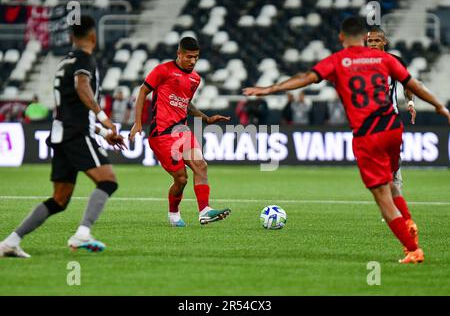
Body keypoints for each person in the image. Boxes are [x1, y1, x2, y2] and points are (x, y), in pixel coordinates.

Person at [243, 16, 450, 264]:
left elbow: (305, 77)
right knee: (392, 181)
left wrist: (269, 89)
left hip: (368, 135)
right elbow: (412, 83)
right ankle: (408, 221)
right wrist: (439, 106)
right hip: (394, 129)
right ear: (365, 38)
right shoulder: (386, 59)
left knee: (382, 196)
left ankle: (412, 247)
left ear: (341, 37)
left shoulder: (337, 61)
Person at [0, 15, 125, 258]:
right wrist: (103, 119)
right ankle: (82, 234)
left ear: (70, 37)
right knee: (108, 181)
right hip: (76, 134)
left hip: (61, 135)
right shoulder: (84, 59)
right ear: (93, 36)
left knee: (59, 200)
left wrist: (102, 132)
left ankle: (9, 243)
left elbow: (70, 108)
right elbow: (81, 86)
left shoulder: (64, 61)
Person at [129, 37, 231, 227]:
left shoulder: (195, 79)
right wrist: (137, 123)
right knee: (181, 179)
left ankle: (205, 211)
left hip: (182, 131)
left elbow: (186, 104)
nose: (192, 61)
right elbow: (143, 92)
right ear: (179, 53)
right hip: (162, 133)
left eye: (196, 57)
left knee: (201, 166)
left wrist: (206, 118)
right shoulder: (163, 70)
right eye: (189, 57)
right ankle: (173, 214)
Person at [366, 26, 418, 253]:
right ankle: (394, 211)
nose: (373, 44)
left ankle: (396, 212)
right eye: (370, 41)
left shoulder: (394, 61)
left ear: (384, 42)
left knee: (392, 170)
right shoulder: (359, 63)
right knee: (378, 171)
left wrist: (411, 102)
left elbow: (408, 84)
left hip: (390, 122)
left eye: (377, 40)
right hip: (368, 123)